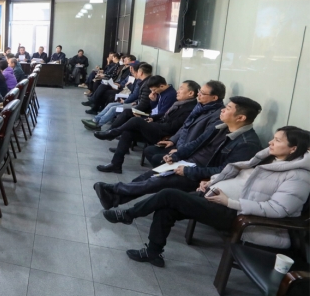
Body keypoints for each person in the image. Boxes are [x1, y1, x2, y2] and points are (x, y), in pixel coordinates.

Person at [101, 126, 310, 268]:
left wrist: (230, 202)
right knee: (168, 206)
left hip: (238, 215)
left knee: (169, 194)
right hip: (219, 200)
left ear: (293, 148)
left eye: (277, 140)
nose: (271, 142)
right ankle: (153, 253)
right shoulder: (267, 160)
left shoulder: (298, 176)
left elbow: (278, 209)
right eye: (273, 138)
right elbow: (234, 175)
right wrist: (211, 182)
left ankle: (128, 214)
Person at [95, 96, 263, 209]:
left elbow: (224, 171)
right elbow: (196, 143)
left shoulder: (247, 144)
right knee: (148, 176)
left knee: (156, 182)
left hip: (200, 176)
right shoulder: (220, 127)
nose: (223, 110)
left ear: (241, 118)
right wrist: (176, 156)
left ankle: (112, 189)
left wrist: (188, 171)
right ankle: (114, 199)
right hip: (188, 163)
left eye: (228, 108)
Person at [94, 80, 200, 173]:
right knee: (128, 132)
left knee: (136, 120)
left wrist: (152, 124)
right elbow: (164, 114)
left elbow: (172, 127)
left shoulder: (189, 109)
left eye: (181, 88)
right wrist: (152, 118)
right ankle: (116, 164)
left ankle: (113, 133)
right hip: (158, 128)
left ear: (190, 93)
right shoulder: (180, 103)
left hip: (164, 135)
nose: (178, 91)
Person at [141, 80, 226, 167]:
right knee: (149, 150)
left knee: (157, 158)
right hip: (180, 144)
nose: (198, 94)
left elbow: (201, 142)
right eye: (199, 91)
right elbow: (185, 126)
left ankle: (166, 172)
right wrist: (172, 140)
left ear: (214, 98)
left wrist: (180, 152)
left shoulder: (217, 116)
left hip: (190, 152)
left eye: (202, 93)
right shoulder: (200, 106)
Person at [83, 61, 145, 130]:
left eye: (131, 68)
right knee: (111, 104)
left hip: (133, 105)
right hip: (131, 101)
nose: (130, 69)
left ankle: (98, 124)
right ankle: (95, 120)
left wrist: (125, 101)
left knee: (114, 108)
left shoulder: (140, 82)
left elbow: (136, 95)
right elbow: (134, 93)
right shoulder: (136, 79)